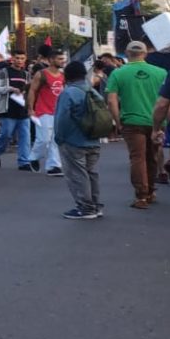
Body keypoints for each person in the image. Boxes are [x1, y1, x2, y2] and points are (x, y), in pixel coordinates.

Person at [107, 41, 167, 209]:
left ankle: (141, 196)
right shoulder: (161, 72)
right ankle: (151, 191)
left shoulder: (118, 73)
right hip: (156, 121)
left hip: (131, 121)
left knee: (137, 158)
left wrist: (117, 121)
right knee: (152, 156)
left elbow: (111, 100)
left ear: (126, 53)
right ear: (145, 53)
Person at [56, 61, 104, 220]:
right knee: (91, 173)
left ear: (67, 76)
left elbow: (62, 119)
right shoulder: (93, 91)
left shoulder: (69, 93)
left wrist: (59, 138)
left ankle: (85, 208)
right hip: (94, 139)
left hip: (74, 141)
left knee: (77, 174)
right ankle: (96, 205)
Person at [0, 48, 35, 171]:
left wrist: (27, 95)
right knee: (6, 135)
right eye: (17, 58)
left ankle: (24, 162)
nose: (19, 61)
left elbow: (31, 89)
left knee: (25, 137)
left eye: (22, 58)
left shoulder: (26, 74)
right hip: (7, 110)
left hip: (23, 110)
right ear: (12, 58)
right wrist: (10, 89)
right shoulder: (4, 72)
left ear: (25, 60)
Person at [27, 46, 68, 176]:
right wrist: (30, 109)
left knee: (55, 140)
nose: (63, 61)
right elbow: (32, 91)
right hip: (43, 111)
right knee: (43, 139)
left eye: (63, 59)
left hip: (58, 112)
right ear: (51, 60)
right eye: (60, 59)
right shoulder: (42, 74)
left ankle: (53, 166)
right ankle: (33, 157)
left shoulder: (63, 75)